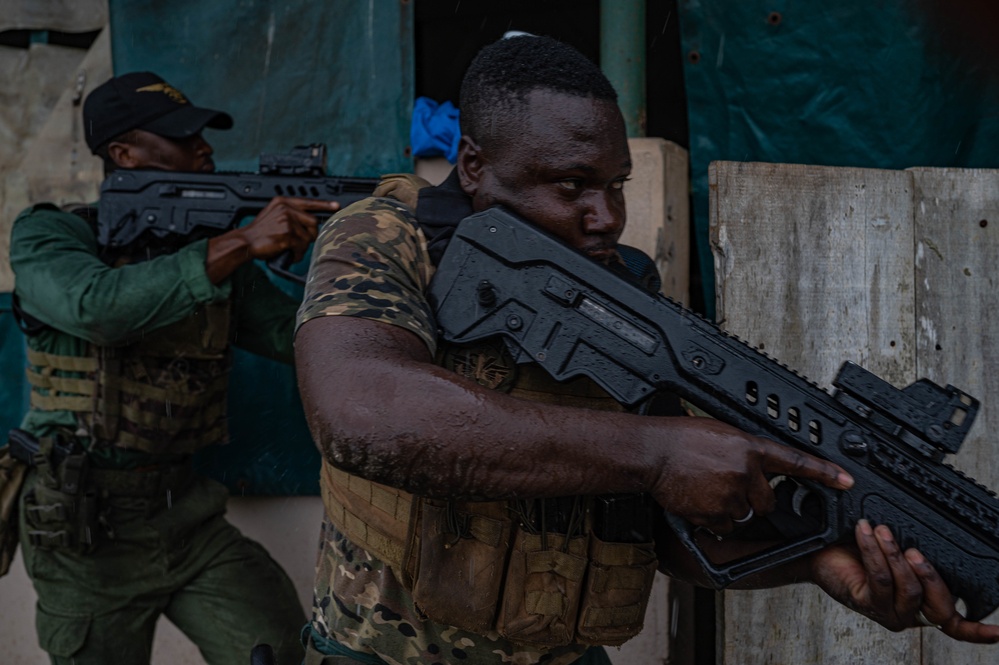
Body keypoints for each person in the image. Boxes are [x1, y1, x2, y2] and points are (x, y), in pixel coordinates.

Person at [293, 36, 999, 665]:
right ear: (473, 165)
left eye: (615, 187)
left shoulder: (626, 291)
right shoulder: (389, 235)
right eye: (571, 186)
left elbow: (665, 531)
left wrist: (816, 557)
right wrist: (656, 449)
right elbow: (361, 410)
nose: (606, 218)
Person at [9, 71, 336, 665]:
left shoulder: (213, 259)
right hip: (84, 530)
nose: (204, 149)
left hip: (184, 515)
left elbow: (300, 339)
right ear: (124, 154)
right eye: (183, 138)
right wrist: (240, 243)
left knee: (281, 646)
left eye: (202, 136)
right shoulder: (48, 234)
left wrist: (355, 272)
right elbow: (96, 307)